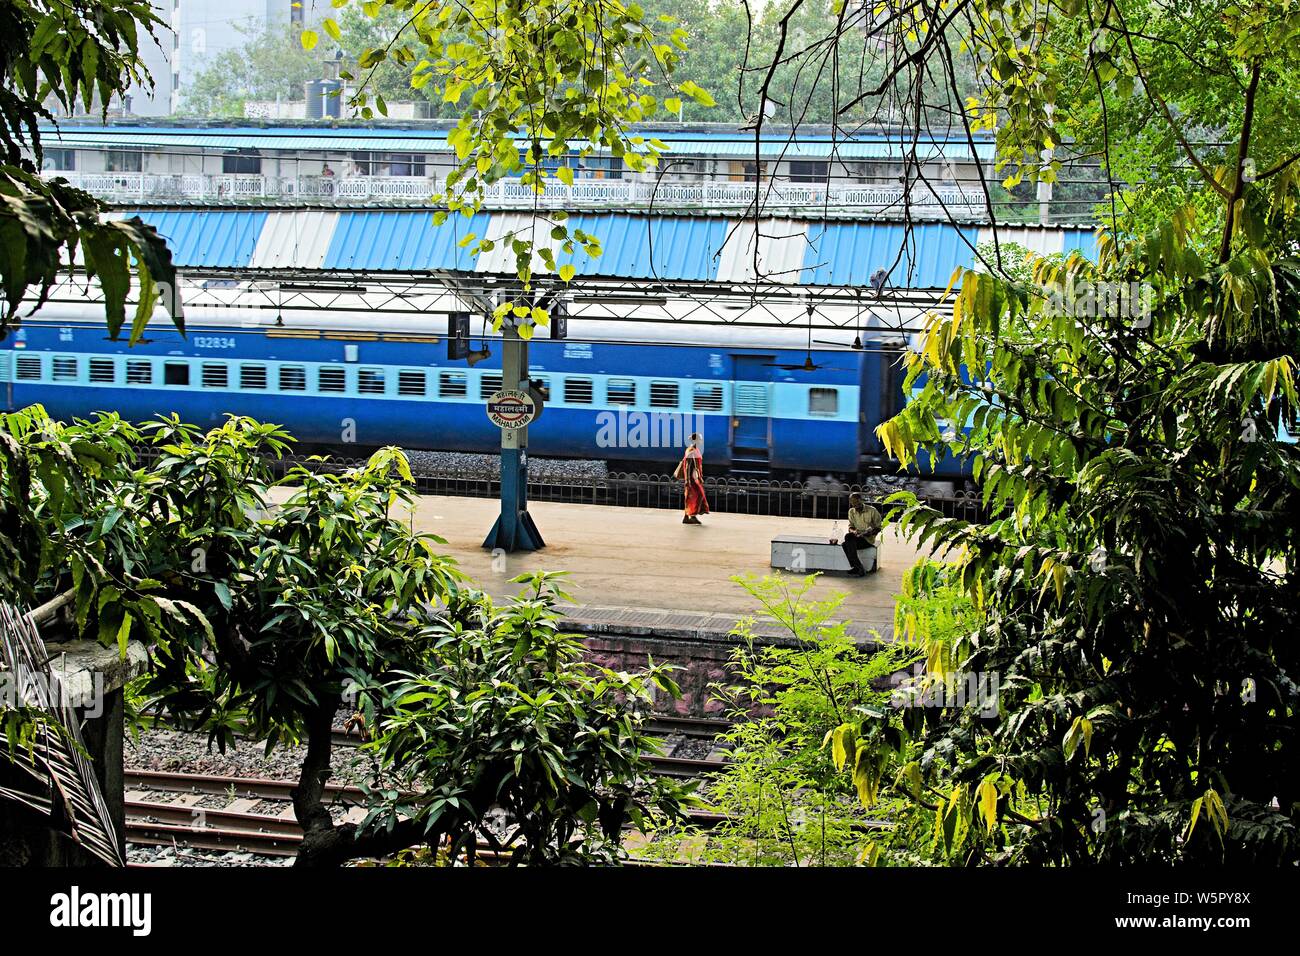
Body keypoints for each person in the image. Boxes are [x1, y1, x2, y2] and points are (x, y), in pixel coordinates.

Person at [839, 492, 881, 576]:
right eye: (853, 503)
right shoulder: (851, 512)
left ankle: (857, 567)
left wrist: (868, 533)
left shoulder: (872, 511)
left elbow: (878, 528)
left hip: (868, 539)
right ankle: (858, 567)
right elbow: (851, 527)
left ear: (861, 500)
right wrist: (854, 532)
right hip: (856, 538)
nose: (855, 505)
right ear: (851, 503)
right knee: (848, 539)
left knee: (846, 543)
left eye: (857, 502)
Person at [674, 433, 709, 525]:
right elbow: (688, 466)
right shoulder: (691, 450)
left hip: (694, 477)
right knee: (698, 495)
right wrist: (688, 481)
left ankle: (686, 517)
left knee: (689, 496)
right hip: (692, 478)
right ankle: (692, 516)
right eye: (700, 440)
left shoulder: (695, 450)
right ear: (696, 441)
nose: (701, 441)